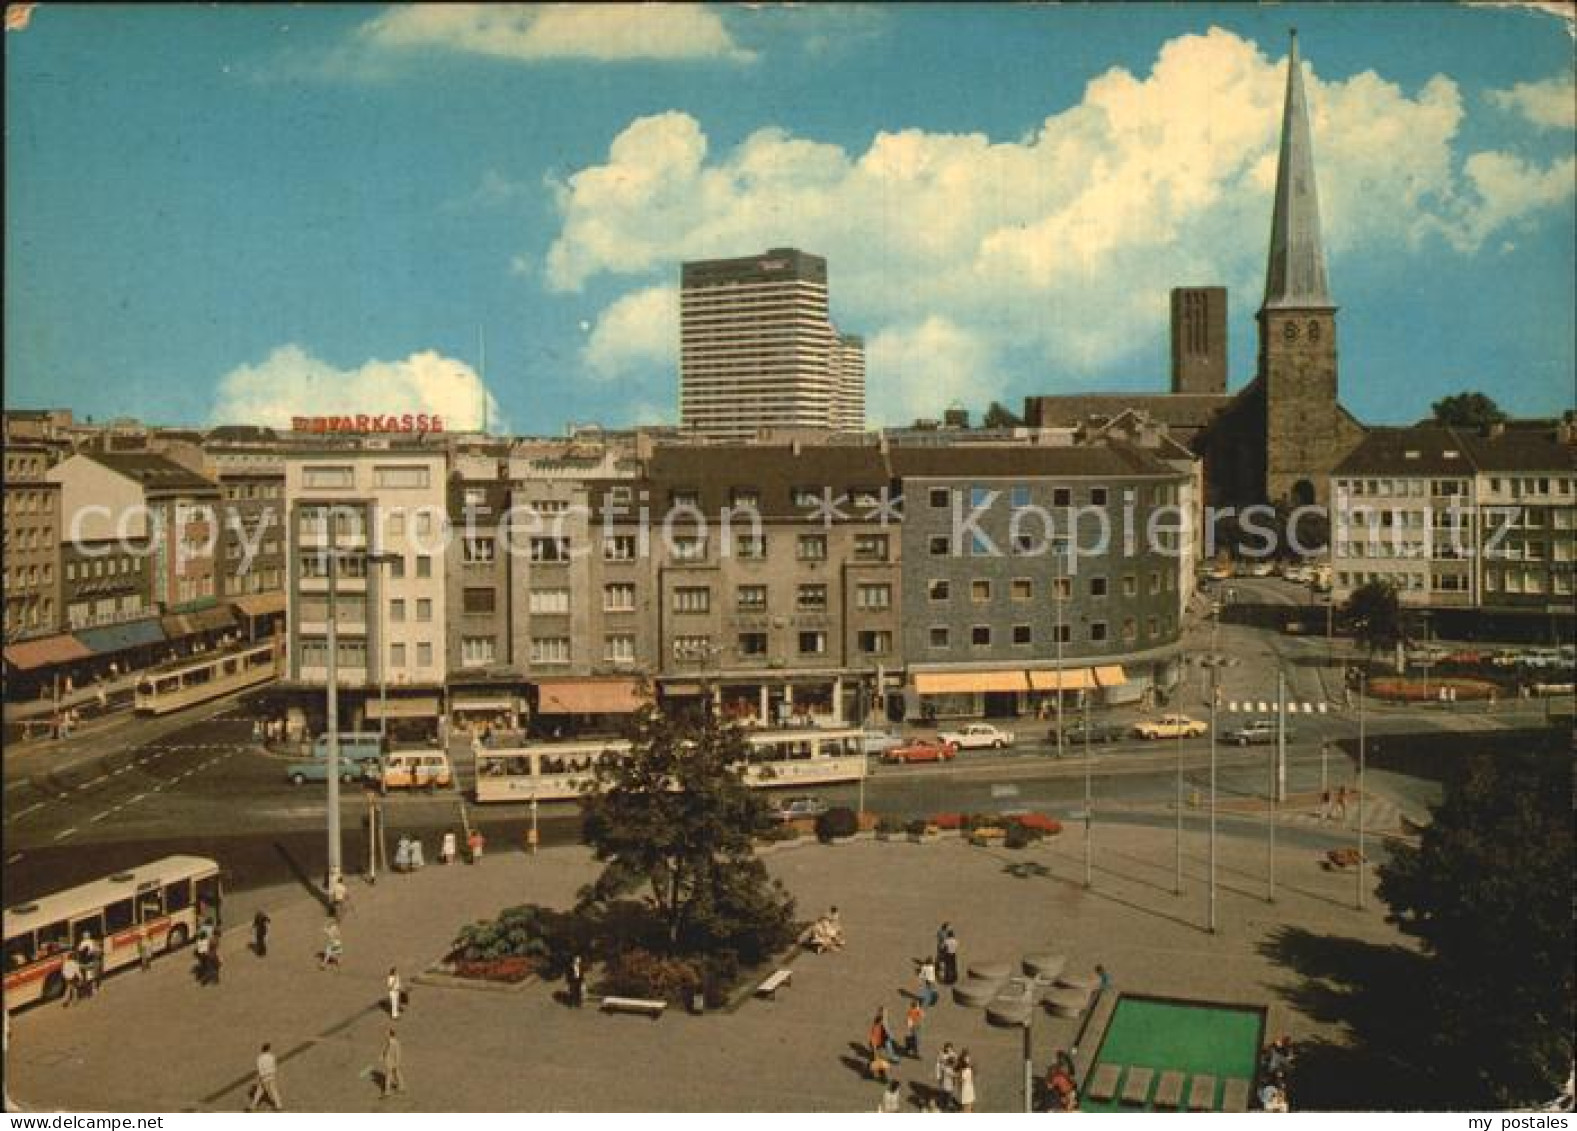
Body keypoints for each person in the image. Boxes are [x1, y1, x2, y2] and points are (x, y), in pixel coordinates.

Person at [247, 1043, 284, 1111]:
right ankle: (279, 1106)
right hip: (271, 1076)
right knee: (273, 1091)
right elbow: (274, 1067)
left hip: (264, 1077)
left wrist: (260, 1076)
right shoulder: (272, 1057)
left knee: (259, 1091)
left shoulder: (260, 1058)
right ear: (269, 1049)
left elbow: (259, 1068)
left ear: (262, 1049)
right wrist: (273, 1074)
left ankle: (252, 1106)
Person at [379, 1028, 404, 1097]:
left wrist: (397, 1062)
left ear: (390, 1034)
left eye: (386, 1033)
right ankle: (401, 1087)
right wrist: (382, 1056)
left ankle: (388, 1091)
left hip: (392, 1061)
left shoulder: (395, 1043)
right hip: (389, 1061)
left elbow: (397, 1053)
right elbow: (385, 1050)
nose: (385, 1034)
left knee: (391, 1075)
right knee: (395, 1073)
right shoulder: (388, 1042)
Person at [935, 1043, 958, 1111]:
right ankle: (942, 1103)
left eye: (950, 1048)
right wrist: (938, 1075)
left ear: (952, 1048)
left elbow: (956, 1064)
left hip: (951, 1075)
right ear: (945, 1048)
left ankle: (949, 1102)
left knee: (951, 1089)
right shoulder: (941, 1054)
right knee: (943, 1089)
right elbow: (938, 1065)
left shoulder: (954, 1054)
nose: (948, 1050)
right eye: (947, 1048)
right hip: (943, 1074)